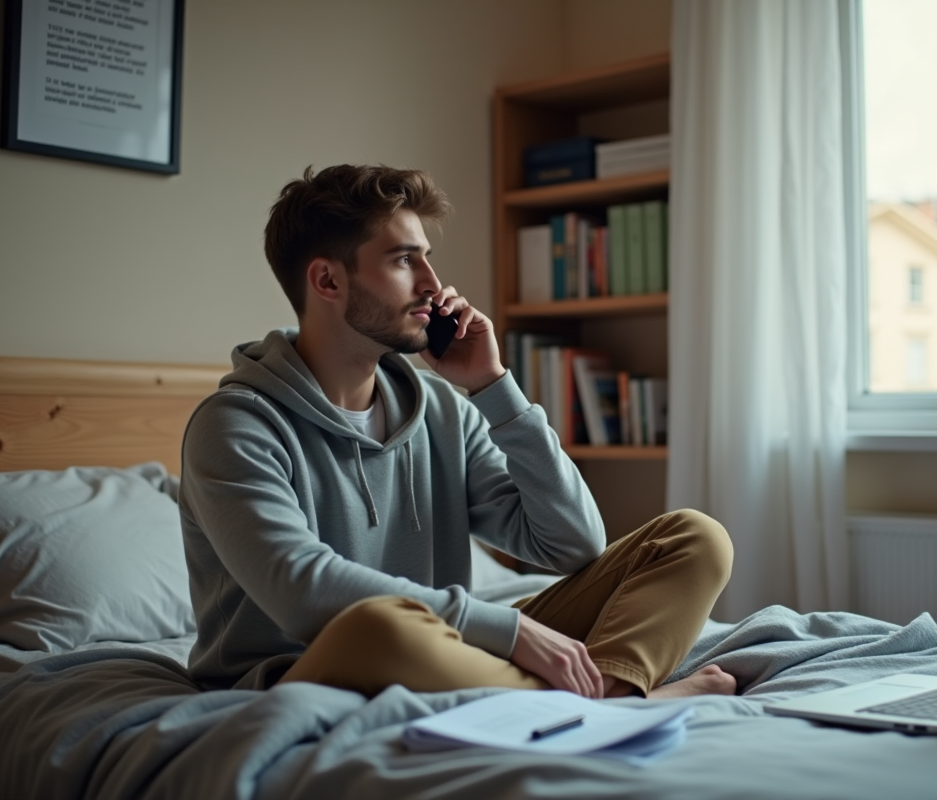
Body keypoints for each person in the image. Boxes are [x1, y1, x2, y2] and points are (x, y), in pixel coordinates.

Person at [179, 164, 735, 701]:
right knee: (379, 626)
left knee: (694, 538)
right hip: (310, 668)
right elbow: (302, 591)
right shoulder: (235, 425)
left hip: (443, 647)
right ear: (328, 280)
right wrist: (509, 631)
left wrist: (493, 387)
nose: (433, 284)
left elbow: (572, 545)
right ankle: (610, 702)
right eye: (404, 260)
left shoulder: (443, 410)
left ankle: (609, 693)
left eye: (427, 258)